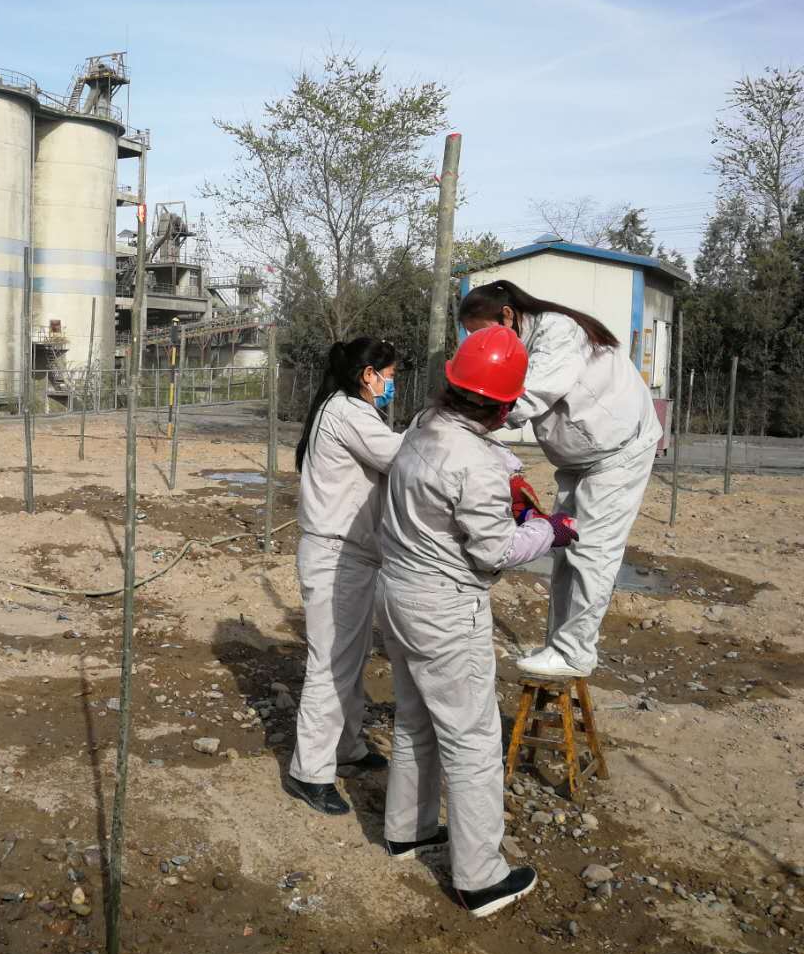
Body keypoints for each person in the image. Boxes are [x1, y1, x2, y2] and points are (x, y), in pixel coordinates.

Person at [376, 326, 577, 917]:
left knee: (415, 718)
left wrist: (505, 482)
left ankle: (408, 831)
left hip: (399, 594)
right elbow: (495, 552)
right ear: (504, 406)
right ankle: (480, 878)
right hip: (444, 609)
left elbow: (469, 470)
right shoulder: (476, 462)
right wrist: (546, 530)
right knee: (472, 741)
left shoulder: (421, 427)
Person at [458, 279, 661, 679]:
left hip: (618, 453)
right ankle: (558, 645)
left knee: (592, 552)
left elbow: (532, 394)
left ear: (507, 316)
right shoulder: (524, 341)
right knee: (564, 544)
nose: (479, 343)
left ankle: (574, 653)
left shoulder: (558, 332)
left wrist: (469, 422)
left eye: (480, 333)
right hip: (579, 458)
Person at [283, 337, 402, 817]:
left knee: (350, 658)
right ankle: (309, 772)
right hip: (337, 557)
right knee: (331, 663)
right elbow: (403, 458)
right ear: (368, 375)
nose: (391, 385)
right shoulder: (349, 412)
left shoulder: (341, 408)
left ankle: (347, 746)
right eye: (389, 377)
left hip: (346, 554)